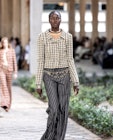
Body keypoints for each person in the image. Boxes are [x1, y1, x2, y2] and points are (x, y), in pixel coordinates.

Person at [36, 10, 79, 140]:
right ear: (49, 20)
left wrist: (75, 81)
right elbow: (40, 60)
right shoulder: (42, 37)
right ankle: (48, 137)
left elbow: (70, 59)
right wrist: (38, 83)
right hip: (48, 75)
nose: (55, 20)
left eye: (57, 18)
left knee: (63, 109)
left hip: (64, 75)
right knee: (54, 109)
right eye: (52, 18)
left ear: (60, 20)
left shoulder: (68, 37)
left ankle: (59, 137)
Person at [0, 37, 17, 112]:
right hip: (1, 70)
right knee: (3, 85)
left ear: (8, 43)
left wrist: (15, 72)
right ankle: (4, 103)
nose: (5, 44)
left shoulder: (12, 51)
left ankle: (8, 105)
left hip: (9, 70)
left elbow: (14, 62)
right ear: (2, 44)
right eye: (3, 43)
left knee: (9, 87)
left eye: (6, 42)